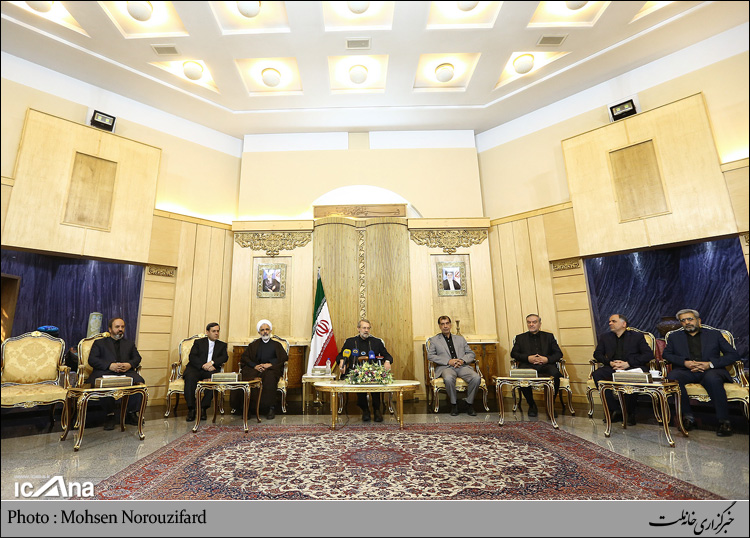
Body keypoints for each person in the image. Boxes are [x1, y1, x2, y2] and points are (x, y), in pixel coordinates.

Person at [663, 309, 739, 437]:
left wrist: (710, 364)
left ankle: (724, 421)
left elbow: (733, 355)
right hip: (687, 371)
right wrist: (685, 362)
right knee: (673, 377)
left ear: (698, 320)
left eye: (690, 319)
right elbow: (666, 354)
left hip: (711, 370)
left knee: (713, 379)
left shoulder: (714, 335)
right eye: (683, 320)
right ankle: (688, 418)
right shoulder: (674, 337)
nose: (687, 322)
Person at [592, 314, 654, 426]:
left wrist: (628, 363)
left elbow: (648, 355)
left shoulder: (637, 336)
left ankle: (630, 413)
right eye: (609, 321)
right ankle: (614, 410)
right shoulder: (605, 337)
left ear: (624, 324)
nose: (610, 323)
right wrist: (610, 363)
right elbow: (597, 354)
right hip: (613, 367)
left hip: (632, 367)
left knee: (630, 377)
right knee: (597, 374)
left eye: (613, 321)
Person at [87, 317, 145, 430]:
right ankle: (110, 415)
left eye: (122, 327)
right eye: (117, 327)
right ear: (110, 329)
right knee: (107, 384)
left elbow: (137, 358)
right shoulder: (99, 343)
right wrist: (109, 365)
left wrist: (129, 364)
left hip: (125, 372)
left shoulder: (129, 344)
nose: (120, 329)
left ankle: (132, 413)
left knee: (139, 382)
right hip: (105, 372)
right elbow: (92, 360)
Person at [336, 319, 393, 422]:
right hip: (355, 372)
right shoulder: (350, 342)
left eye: (368, 328)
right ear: (358, 329)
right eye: (364, 328)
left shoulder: (376, 342)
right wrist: (341, 361)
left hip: (373, 372)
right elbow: (341, 355)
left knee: (377, 380)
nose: (366, 330)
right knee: (358, 378)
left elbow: (387, 355)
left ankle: (376, 409)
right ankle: (365, 410)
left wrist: (387, 362)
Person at [232, 319, 288, 420]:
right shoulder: (253, 345)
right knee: (246, 376)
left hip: (271, 369)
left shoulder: (277, 345)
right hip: (256, 368)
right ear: (259, 332)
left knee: (270, 378)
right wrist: (255, 366)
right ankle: (247, 408)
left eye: (267, 329)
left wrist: (270, 364)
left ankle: (270, 408)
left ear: (270, 331)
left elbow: (283, 358)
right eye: (262, 330)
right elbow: (245, 357)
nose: (265, 332)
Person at [510, 314, 563, 417]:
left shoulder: (549, 336)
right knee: (522, 375)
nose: (531, 324)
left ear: (539, 324)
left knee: (555, 374)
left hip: (546, 365)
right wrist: (528, 358)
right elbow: (514, 354)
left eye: (534, 322)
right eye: (529, 322)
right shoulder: (520, 338)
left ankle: (550, 405)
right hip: (528, 365)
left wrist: (547, 359)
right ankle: (532, 405)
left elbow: (558, 354)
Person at [426, 315, 480, 416]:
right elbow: (430, 356)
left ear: (450, 325)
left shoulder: (460, 339)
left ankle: (469, 404)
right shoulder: (434, 340)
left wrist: (462, 360)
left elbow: (471, 353)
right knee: (448, 378)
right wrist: (448, 361)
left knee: (476, 378)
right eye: (442, 324)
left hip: (461, 366)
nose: (445, 326)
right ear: (439, 326)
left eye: (447, 323)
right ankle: (454, 405)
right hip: (446, 367)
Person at [182, 322, 228, 422]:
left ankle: (203, 408)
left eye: (218, 331)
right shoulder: (198, 342)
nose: (216, 333)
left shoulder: (222, 345)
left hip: (211, 369)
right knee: (189, 378)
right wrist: (203, 365)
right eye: (214, 331)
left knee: (213, 380)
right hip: (195, 368)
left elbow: (225, 357)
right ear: (207, 332)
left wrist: (212, 363)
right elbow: (192, 357)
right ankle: (191, 409)